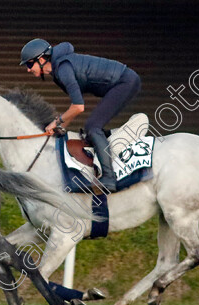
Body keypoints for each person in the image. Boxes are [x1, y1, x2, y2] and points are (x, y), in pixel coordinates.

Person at [20, 39, 141, 192]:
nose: (28, 70)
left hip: (125, 82)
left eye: (30, 64)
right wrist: (58, 128)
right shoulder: (58, 70)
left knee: (92, 126)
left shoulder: (63, 69)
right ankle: (110, 149)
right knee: (93, 128)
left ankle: (109, 178)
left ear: (42, 59)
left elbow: (78, 107)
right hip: (124, 81)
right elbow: (73, 110)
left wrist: (56, 122)